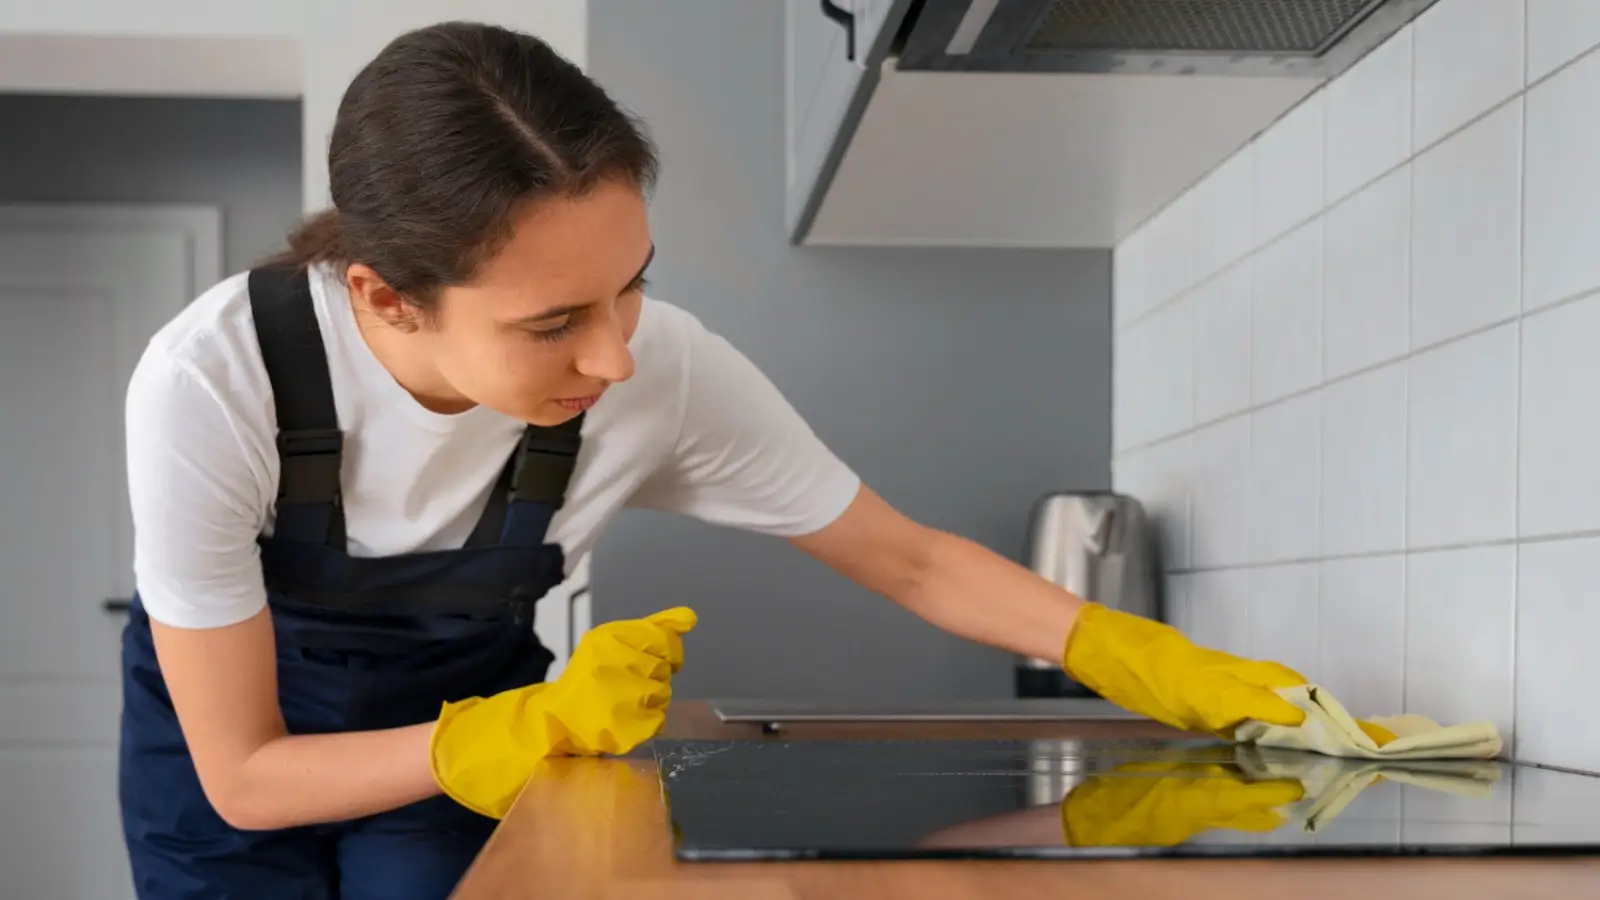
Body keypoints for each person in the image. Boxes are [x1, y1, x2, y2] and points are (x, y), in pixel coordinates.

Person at [117, 20, 1320, 900]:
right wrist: (508, 732)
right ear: (386, 296)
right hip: (242, 761)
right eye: (551, 324)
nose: (618, 359)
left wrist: (1146, 661)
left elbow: (907, 561)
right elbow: (247, 774)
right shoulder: (216, 385)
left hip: (475, 729)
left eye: (631, 285)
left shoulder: (665, 370)